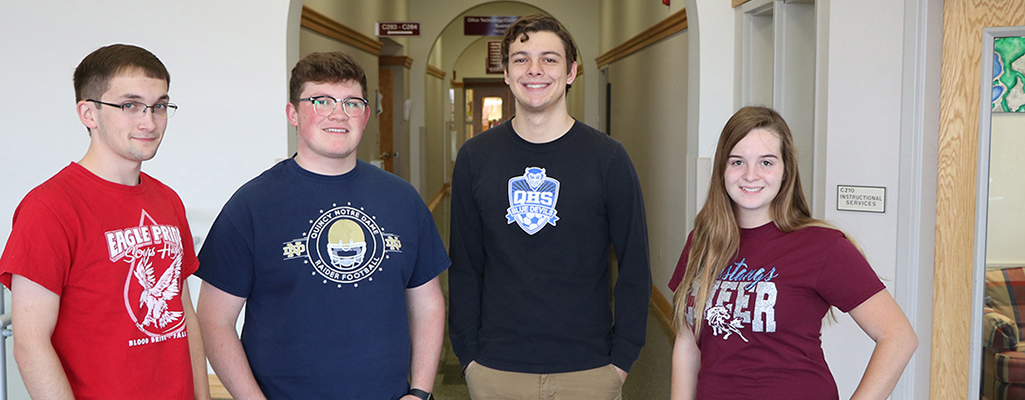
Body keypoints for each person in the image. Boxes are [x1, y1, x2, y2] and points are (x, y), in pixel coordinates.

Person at [195, 51, 448, 400]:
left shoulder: (402, 199)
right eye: (321, 100)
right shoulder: (252, 205)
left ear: (366, 115)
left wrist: (419, 392)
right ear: (293, 114)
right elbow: (214, 320)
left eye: (352, 103)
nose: (338, 114)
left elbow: (428, 304)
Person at [448, 13, 652, 399]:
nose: (534, 69)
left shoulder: (607, 159)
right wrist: (468, 354)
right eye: (521, 58)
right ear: (506, 73)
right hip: (496, 368)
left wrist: (622, 359)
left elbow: (635, 265)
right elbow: (464, 265)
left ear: (572, 71)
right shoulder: (476, 158)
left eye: (549, 58)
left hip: (589, 369)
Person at [0, 44, 208, 399]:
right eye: (130, 105)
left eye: (159, 106)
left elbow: (183, 312)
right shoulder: (49, 207)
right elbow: (31, 345)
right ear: (88, 113)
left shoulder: (167, 200)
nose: (149, 121)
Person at [668, 106, 918, 399]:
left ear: (786, 170)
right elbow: (687, 343)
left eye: (766, 162)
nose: (751, 175)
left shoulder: (822, 246)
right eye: (737, 161)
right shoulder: (702, 243)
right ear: (722, 169)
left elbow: (899, 337)